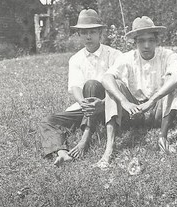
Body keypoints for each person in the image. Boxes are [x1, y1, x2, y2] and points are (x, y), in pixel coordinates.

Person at [95, 16, 177, 168]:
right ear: (135, 42)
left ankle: (162, 137)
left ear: (157, 41)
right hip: (133, 111)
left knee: (173, 83)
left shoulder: (168, 55)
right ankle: (109, 148)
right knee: (113, 85)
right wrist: (124, 101)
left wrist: (152, 101)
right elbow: (106, 78)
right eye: (141, 41)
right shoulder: (127, 57)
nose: (146, 45)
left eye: (150, 40)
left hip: (158, 110)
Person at [39, 9, 121, 166]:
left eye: (92, 32)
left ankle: (86, 137)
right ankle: (62, 153)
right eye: (84, 33)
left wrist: (102, 103)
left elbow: (120, 87)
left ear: (100, 33)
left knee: (92, 85)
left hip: (108, 106)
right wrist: (82, 102)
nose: (88, 36)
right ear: (78, 35)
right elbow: (75, 86)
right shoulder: (75, 59)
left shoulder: (114, 54)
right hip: (86, 108)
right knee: (47, 121)